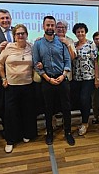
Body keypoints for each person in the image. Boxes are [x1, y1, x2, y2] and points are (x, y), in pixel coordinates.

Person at [32, 16, 75, 146]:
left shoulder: (62, 42)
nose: (50, 28)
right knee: (48, 108)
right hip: (47, 80)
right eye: (48, 25)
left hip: (62, 78)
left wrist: (63, 76)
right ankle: (49, 132)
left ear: (55, 27)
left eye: (52, 25)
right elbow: (36, 63)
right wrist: (48, 79)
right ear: (43, 26)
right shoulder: (37, 44)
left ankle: (68, 132)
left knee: (66, 107)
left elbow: (67, 60)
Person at [0, 24, 37, 153]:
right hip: (12, 86)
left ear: (26, 34)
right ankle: (10, 140)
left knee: (27, 112)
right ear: (14, 36)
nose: (20, 36)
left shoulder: (31, 47)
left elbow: (36, 63)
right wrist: (4, 78)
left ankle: (27, 134)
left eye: (22, 33)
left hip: (28, 85)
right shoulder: (8, 48)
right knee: (11, 114)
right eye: (18, 34)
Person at [72, 23, 99, 136]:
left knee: (85, 99)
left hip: (88, 77)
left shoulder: (91, 44)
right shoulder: (73, 45)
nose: (80, 33)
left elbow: (96, 61)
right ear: (75, 33)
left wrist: (97, 78)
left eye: (82, 31)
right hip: (76, 77)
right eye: (78, 32)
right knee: (79, 100)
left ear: (85, 32)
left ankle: (85, 123)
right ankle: (83, 120)